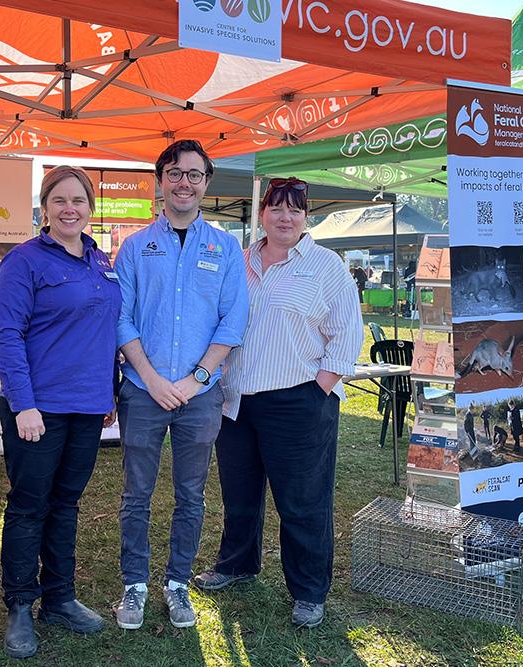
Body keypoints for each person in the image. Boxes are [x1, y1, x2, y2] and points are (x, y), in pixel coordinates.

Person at [191, 176, 362, 629]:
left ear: (307, 217)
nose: (286, 217)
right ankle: (237, 563)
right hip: (236, 401)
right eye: (277, 208)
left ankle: (308, 590)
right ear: (262, 212)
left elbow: (347, 334)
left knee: (303, 502)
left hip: (299, 401)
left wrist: (318, 389)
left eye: (295, 209)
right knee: (239, 493)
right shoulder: (238, 261)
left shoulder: (327, 266)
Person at [113, 140, 249, 631]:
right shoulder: (134, 247)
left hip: (199, 396)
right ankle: (134, 585)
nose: (184, 182)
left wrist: (193, 383)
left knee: (191, 494)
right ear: (160, 181)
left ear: (206, 183)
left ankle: (176, 584)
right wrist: (150, 379)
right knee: (136, 493)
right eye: (175, 173)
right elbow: (120, 318)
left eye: (194, 174)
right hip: (142, 392)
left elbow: (232, 324)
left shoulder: (225, 248)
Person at [0, 166, 122, 659]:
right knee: (30, 506)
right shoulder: (24, 261)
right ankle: (21, 605)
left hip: (87, 407)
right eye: (60, 200)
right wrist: (23, 404)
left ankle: (60, 597)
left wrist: (107, 395)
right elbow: (7, 334)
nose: (71, 209)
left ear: (90, 208)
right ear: (45, 207)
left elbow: (104, 334)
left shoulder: (100, 260)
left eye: (79, 201)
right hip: (38, 409)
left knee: (66, 504)